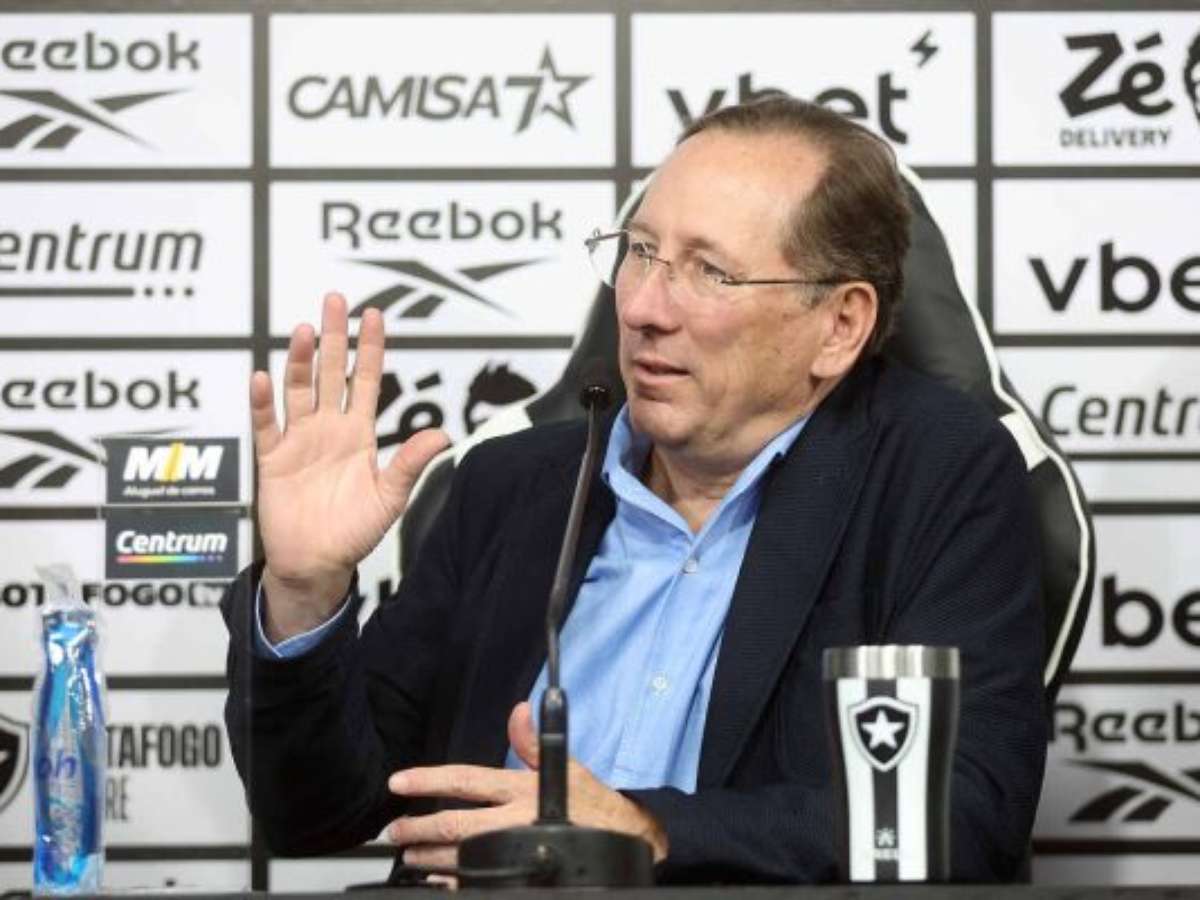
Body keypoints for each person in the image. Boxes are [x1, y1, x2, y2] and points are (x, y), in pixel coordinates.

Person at [222, 96, 1046, 884]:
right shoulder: (510, 487)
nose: (645, 306)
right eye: (640, 252)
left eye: (710, 272)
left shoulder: (937, 479)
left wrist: (646, 832)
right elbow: (315, 812)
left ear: (839, 326)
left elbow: (961, 816)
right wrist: (303, 591)